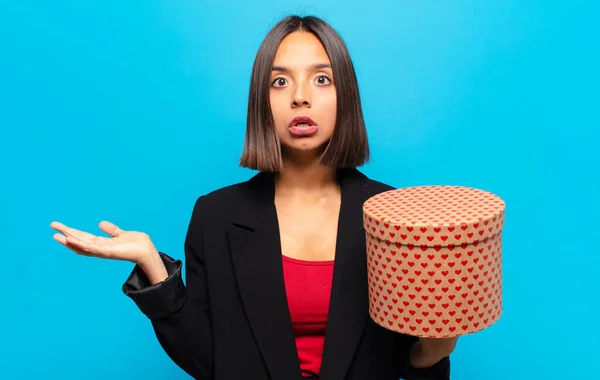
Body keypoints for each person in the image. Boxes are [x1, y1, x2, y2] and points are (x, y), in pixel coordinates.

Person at [51, 15, 456, 380]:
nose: (301, 96)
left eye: (321, 79)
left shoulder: (394, 218)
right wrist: (152, 266)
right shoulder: (216, 216)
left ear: (345, 95)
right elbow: (211, 362)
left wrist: (437, 349)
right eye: (280, 81)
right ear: (261, 103)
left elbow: (406, 363)